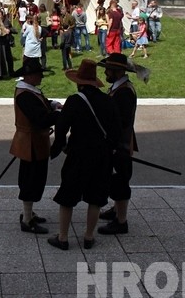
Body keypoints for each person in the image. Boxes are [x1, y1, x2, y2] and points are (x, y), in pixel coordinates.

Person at [48, 59, 116, 250]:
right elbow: (115, 130)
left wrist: (60, 147)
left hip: (78, 154)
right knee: (95, 197)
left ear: (79, 82)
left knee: (68, 196)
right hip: (101, 156)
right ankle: (88, 236)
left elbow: (61, 127)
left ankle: (62, 237)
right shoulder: (107, 101)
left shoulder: (74, 101)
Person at [9, 58, 61, 236]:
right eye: (39, 74)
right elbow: (39, 118)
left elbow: (41, 103)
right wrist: (58, 115)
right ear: (30, 76)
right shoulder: (25, 94)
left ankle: (29, 213)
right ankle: (27, 220)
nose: (41, 78)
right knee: (31, 180)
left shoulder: (28, 91)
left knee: (34, 178)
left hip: (35, 142)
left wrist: (53, 104)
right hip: (30, 143)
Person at [97, 53, 141, 235]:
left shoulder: (123, 92)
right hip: (119, 141)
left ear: (117, 71)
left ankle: (121, 221)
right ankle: (116, 210)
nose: (105, 72)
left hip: (120, 143)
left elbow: (119, 121)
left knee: (120, 181)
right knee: (116, 179)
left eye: (108, 70)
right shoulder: (119, 88)